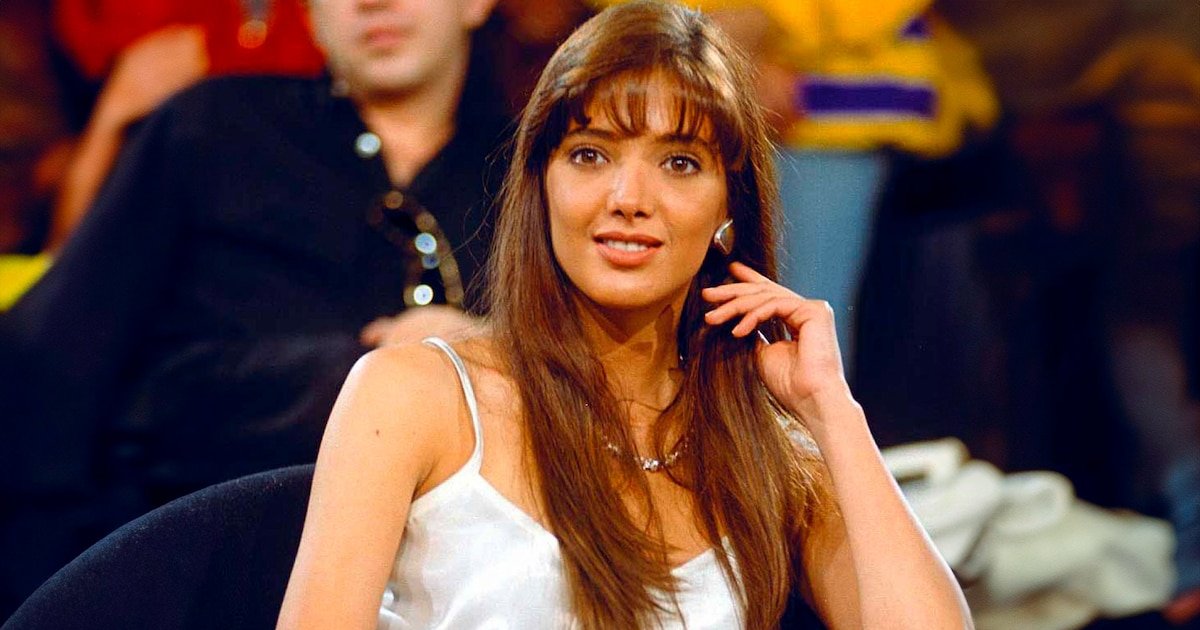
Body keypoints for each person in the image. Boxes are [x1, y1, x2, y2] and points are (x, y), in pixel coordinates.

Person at [278, 3, 972, 628]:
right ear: (541, 183)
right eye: (590, 154)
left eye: (679, 162)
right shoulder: (410, 396)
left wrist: (832, 411)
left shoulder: (770, 454)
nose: (629, 197)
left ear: (728, 205)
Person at [0, 0, 506, 616]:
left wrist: (484, 356)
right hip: (187, 566)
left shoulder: (534, 176)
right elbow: (53, 356)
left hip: (458, 592)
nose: (373, 2)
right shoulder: (214, 129)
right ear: (309, 13)